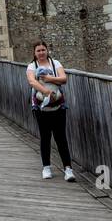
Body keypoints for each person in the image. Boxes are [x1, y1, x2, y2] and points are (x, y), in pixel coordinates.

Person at [27, 41, 75, 181]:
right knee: (45, 137)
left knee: (61, 138)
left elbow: (64, 78)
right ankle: (46, 167)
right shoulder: (32, 66)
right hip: (41, 107)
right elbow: (32, 81)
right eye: (38, 51)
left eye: (43, 50)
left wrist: (48, 78)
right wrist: (46, 91)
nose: (41, 53)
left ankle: (68, 169)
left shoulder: (55, 64)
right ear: (34, 53)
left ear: (47, 50)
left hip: (58, 106)